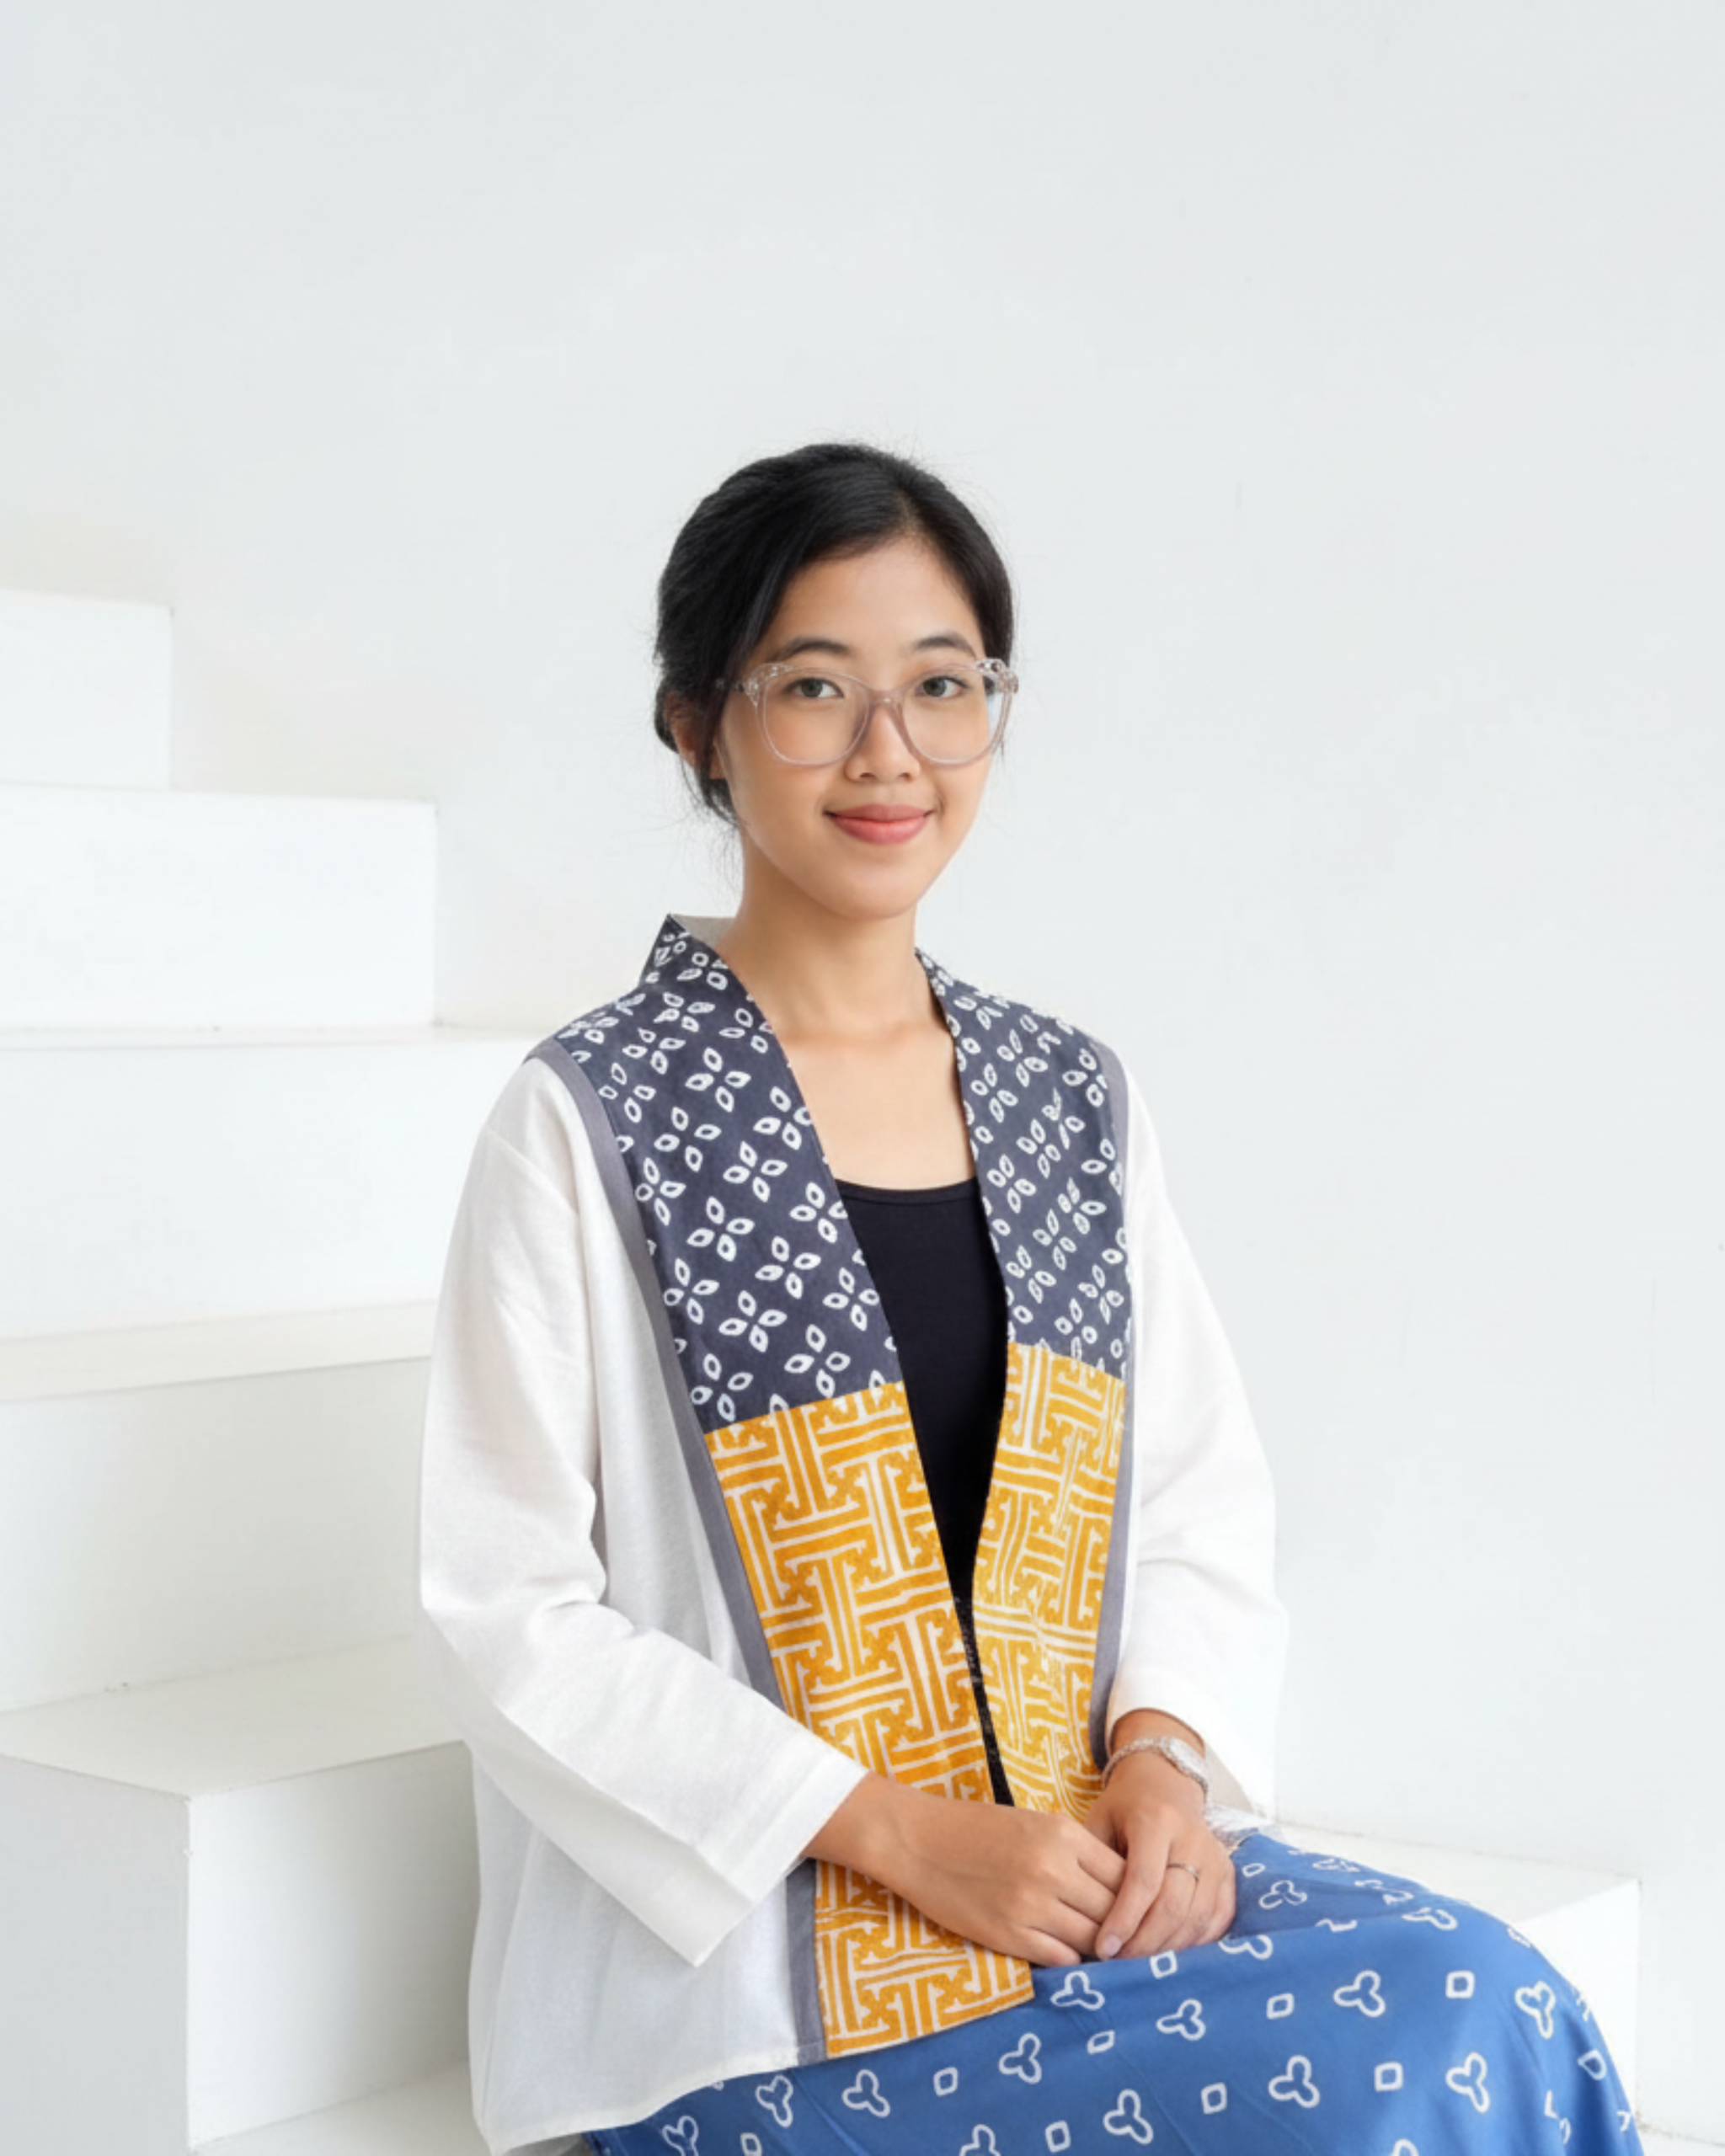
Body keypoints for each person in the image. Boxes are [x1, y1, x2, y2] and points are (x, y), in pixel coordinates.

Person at [419, 443, 1640, 2154]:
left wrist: (1159, 1760)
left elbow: (1196, 1494)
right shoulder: (587, 1120)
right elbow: (508, 1610)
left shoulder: (1069, 1097)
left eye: (942, 686)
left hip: (1079, 1882)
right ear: (696, 724)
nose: (888, 752)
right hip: (757, 1970)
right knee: (1354, 2102)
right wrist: (896, 1830)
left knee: (1490, 1996)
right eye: (814, 688)